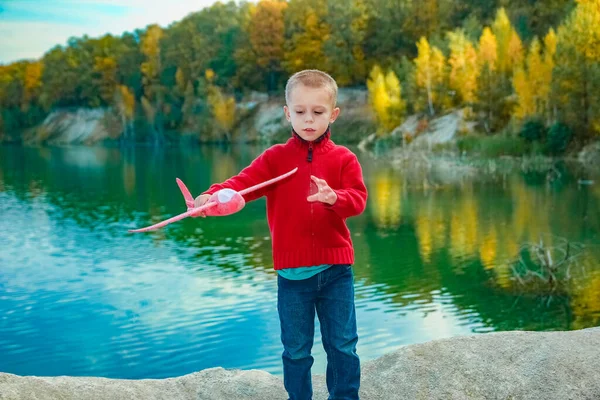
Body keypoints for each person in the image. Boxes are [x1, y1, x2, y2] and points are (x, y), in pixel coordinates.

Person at [195, 69, 368, 400]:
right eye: (300, 112)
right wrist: (212, 195)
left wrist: (334, 198)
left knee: (343, 346)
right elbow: (242, 183)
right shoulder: (276, 158)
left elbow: (357, 200)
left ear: (333, 115)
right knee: (296, 352)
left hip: (336, 272)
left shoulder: (345, 158)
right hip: (292, 277)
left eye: (317, 113)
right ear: (288, 113)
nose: (308, 120)